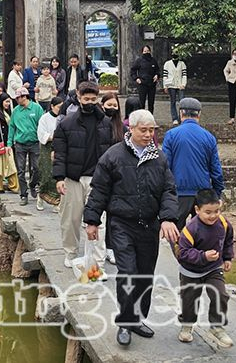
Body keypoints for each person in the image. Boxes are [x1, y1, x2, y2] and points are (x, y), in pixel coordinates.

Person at [84, 108, 179, 347]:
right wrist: (92, 221)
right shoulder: (113, 156)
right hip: (122, 224)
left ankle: (136, 318)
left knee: (144, 276)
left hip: (149, 226)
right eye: (143, 130)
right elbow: (99, 190)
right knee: (127, 272)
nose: (148, 134)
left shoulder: (159, 157)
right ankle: (125, 323)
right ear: (131, 129)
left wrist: (168, 218)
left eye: (151, 130)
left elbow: (168, 190)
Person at [52, 82, 114, 268]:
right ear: (78, 98)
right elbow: (60, 153)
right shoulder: (66, 124)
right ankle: (70, 252)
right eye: (86, 99)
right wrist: (59, 178)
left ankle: (97, 260)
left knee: (98, 220)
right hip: (73, 178)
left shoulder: (106, 123)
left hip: (98, 179)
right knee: (70, 219)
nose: (89, 102)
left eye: (93, 99)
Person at [175, 188, 235, 348]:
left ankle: (217, 327)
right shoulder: (190, 229)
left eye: (216, 211)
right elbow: (183, 253)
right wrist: (203, 256)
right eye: (208, 212)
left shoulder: (223, 223)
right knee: (189, 301)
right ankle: (187, 325)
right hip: (190, 271)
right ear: (197, 210)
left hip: (213, 268)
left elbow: (228, 240)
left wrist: (227, 257)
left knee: (221, 294)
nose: (213, 216)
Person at [162, 98, 224, 230]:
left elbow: (165, 167)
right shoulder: (209, 137)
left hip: (179, 192)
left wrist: (165, 194)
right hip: (202, 192)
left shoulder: (171, 135)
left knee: (176, 233)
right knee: (203, 232)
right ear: (199, 114)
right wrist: (216, 193)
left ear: (181, 113)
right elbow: (216, 170)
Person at [9, 86, 45, 210]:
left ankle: (33, 184)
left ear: (24, 97)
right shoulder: (16, 111)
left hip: (34, 142)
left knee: (36, 168)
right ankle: (23, 194)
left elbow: (42, 124)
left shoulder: (37, 108)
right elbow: (12, 127)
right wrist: (9, 143)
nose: (17, 100)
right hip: (20, 143)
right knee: (20, 170)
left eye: (18, 98)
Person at [37, 95, 64, 203]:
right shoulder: (45, 118)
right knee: (46, 173)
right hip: (47, 147)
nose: (60, 109)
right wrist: (53, 137)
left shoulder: (63, 118)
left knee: (57, 172)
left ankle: (57, 199)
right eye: (58, 107)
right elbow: (41, 133)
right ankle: (42, 195)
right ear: (52, 106)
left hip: (60, 146)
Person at [130, 45, 159, 113]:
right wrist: (136, 78)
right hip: (142, 84)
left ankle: (150, 116)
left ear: (150, 51)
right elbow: (133, 70)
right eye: (145, 51)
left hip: (152, 84)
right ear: (142, 52)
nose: (146, 52)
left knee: (151, 103)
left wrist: (157, 75)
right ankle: (141, 116)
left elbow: (157, 70)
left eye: (148, 51)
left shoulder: (153, 60)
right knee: (141, 102)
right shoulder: (139, 60)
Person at [162, 51, 188, 126]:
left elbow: (184, 75)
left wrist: (183, 84)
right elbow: (165, 75)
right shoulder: (167, 64)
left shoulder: (182, 64)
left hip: (180, 85)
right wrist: (165, 86)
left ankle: (181, 117)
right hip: (171, 85)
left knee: (182, 102)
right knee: (172, 102)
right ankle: (174, 118)